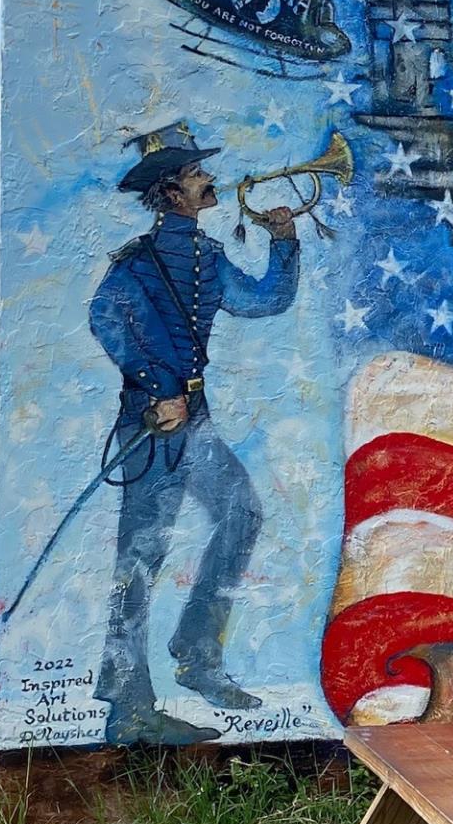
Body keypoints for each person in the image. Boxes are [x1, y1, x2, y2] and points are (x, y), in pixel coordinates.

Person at [88, 122, 300, 745]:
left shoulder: (206, 256)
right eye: (197, 173)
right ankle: (128, 708)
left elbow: (264, 302)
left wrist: (284, 241)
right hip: (154, 425)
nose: (210, 179)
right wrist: (157, 388)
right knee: (141, 559)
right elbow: (105, 317)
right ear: (172, 192)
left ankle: (197, 653)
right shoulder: (136, 262)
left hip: (195, 422)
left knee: (242, 513)